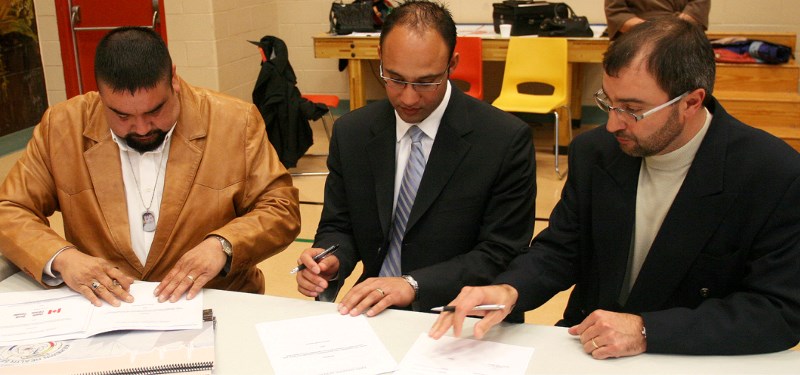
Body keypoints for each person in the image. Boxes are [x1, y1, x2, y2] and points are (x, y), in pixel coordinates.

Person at [430, 17, 800, 359]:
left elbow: (778, 312)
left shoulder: (771, 173)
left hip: (686, 355)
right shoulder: (596, 153)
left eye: (632, 109)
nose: (612, 125)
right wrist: (509, 290)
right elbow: (562, 249)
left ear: (691, 102)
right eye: (607, 102)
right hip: (587, 350)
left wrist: (646, 329)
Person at [0, 27, 301, 307]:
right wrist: (64, 258)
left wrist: (223, 245)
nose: (141, 127)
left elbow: (279, 208)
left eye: (155, 110)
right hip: (106, 309)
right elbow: (10, 209)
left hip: (215, 302)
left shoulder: (234, 121)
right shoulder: (62, 126)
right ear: (100, 93)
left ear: (174, 80)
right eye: (121, 115)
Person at [295, 0, 536, 317]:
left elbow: (500, 253)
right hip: (375, 307)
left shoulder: (503, 139)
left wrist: (412, 284)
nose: (408, 97)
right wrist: (330, 260)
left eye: (426, 82)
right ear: (379, 59)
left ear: (453, 64)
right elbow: (340, 226)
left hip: (460, 311)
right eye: (394, 78)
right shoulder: (352, 132)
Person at [605, 0, 710, 40]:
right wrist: (654, 31)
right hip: (637, 39)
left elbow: (697, 10)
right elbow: (617, 13)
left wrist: (672, 31)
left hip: (683, 38)